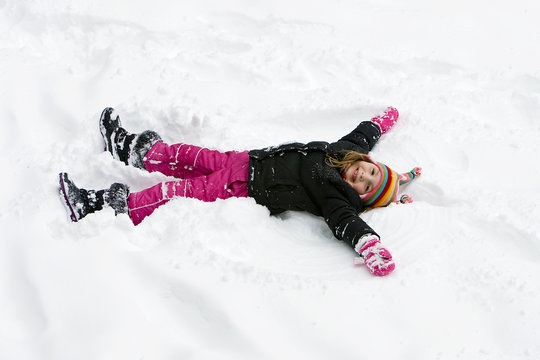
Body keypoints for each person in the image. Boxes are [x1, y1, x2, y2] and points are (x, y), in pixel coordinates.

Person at [59, 107, 421, 276]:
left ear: (359, 196)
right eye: (370, 170)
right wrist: (381, 121)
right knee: (181, 154)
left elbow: (346, 223)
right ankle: (128, 147)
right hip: (244, 160)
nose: (363, 174)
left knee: (175, 191)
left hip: (243, 185)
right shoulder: (341, 151)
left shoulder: (335, 198)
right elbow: (363, 136)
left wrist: (370, 245)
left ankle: (99, 205)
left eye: (366, 186)